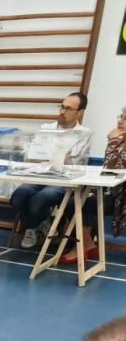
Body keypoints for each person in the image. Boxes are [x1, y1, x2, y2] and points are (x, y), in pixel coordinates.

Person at [11, 91, 92, 249]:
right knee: (18, 197)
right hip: (39, 175)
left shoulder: (84, 134)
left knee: (39, 199)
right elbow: (29, 153)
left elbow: (76, 160)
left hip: (63, 180)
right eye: (61, 107)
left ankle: (31, 227)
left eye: (68, 108)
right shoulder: (46, 128)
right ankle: (41, 223)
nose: (62, 111)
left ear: (80, 112)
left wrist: (51, 156)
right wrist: (52, 155)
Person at [58, 106, 126, 264]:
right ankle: (87, 244)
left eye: (125, 118)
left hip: (122, 199)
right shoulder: (121, 140)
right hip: (115, 193)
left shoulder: (118, 140)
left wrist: (113, 141)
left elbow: (115, 167)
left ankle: (82, 247)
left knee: (83, 205)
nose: (120, 121)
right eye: (120, 116)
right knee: (75, 202)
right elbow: (111, 171)